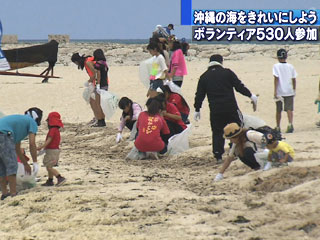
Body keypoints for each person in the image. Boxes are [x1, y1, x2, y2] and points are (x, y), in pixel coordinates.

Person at [194, 54, 258, 163]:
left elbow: (199, 94)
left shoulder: (204, 76)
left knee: (217, 132)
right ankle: (236, 151)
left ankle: (218, 155)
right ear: (221, 62)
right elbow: (239, 86)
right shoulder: (227, 73)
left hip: (215, 110)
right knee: (237, 128)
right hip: (230, 107)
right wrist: (250, 95)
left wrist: (197, 109)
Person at [0, 107, 42, 200]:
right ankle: (13, 193)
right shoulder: (32, 122)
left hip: (3, 132)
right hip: (4, 135)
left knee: (1, 166)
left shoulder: (20, 122)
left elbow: (17, 148)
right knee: (11, 165)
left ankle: (4, 193)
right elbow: (32, 144)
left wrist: (26, 164)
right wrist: (35, 162)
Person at [71, 53, 101, 126]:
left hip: (98, 83)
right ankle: (96, 117)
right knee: (92, 100)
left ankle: (98, 119)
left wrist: (89, 81)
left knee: (95, 102)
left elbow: (95, 73)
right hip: (96, 83)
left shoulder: (87, 62)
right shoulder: (87, 61)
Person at [37, 112, 66, 186]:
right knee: (49, 166)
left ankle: (59, 177)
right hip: (55, 150)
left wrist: (42, 147)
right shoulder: (56, 130)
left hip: (52, 151)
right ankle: (50, 180)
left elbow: (49, 139)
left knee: (49, 166)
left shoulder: (52, 130)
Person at [273, 49, 297, 133]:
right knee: (289, 108)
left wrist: (275, 91)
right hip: (289, 90)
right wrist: (294, 89)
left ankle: (278, 126)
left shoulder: (276, 66)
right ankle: (290, 124)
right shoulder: (291, 66)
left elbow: (276, 79)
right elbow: (294, 79)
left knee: (278, 109)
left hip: (280, 90)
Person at [92, 48, 109, 127]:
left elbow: (98, 75)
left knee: (98, 104)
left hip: (101, 85)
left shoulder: (98, 64)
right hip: (106, 84)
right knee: (103, 103)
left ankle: (100, 121)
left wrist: (97, 85)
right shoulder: (105, 64)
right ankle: (103, 120)